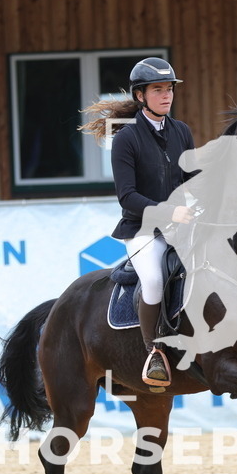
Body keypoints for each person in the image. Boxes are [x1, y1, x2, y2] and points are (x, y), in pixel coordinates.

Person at [80, 57, 196, 387]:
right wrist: (169, 212)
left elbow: (193, 177)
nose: (166, 95)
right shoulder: (127, 139)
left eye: (169, 89)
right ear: (141, 96)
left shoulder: (182, 131)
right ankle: (155, 351)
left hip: (181, 227)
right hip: (143, 230)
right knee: (155, 279)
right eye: (158, 90)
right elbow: (127, 197)